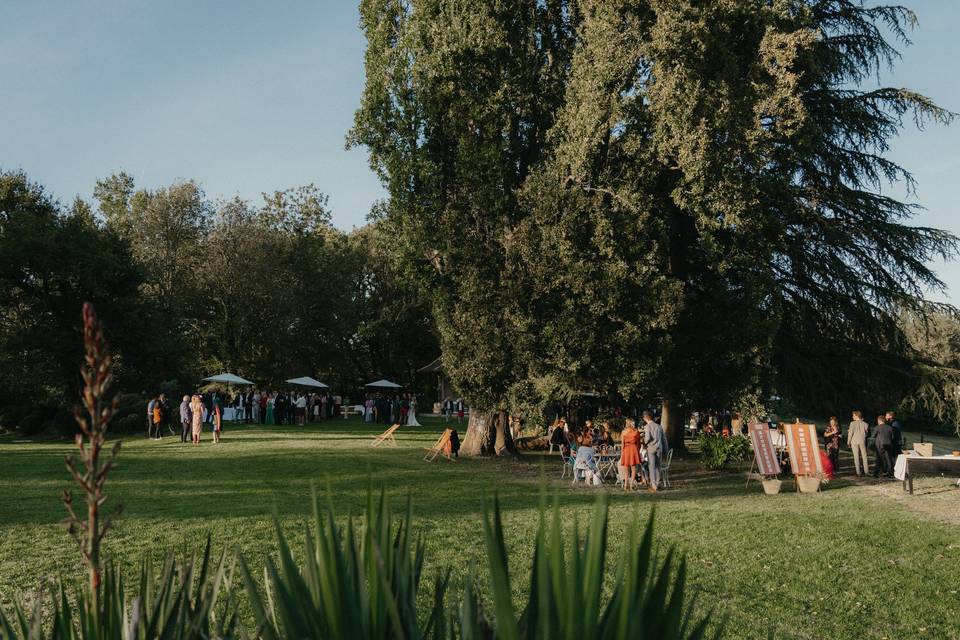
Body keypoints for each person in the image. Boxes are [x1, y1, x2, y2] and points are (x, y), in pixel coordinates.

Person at [643, 410, 666, 492]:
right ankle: (658, 482)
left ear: (646, 417)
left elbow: (648, 438)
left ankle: (654, 485)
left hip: (651, 448)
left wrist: (644, 442)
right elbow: (664, 439)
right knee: (658, 466)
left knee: (651, 467)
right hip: (659, 448)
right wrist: (666, 449)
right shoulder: (659, 426)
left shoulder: (647, 427)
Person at [620, 418, 642, 491]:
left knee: (626, 468)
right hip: (634, 449)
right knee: (633, 468)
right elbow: (639, 444)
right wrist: (637, 450)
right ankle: (632, 484)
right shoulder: (636, 432)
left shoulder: (623, 432)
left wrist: (622, 453)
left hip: (626, 449)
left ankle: (626, 484)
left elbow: (622, 444)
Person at [847, 411, 870, 476]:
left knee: (856, 457)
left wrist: (848, 442)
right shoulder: (866, 424)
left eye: (853, 415)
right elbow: (866, 434)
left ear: (857, 416)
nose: (852, 417)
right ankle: (866, 471)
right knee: (864, 456)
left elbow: (850, 433)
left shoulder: (852, 423)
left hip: (854, 441)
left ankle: (858, 472)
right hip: (862, 441)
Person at [872, 414, 894, 478]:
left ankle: (876, 473)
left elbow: (873, 436)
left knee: (879, 459)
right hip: (889, 444)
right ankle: (890, 473)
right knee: (888, 459)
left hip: (880, 445)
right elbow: (893, 437)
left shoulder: (877, 427)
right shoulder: (890, 427)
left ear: (879, 420)